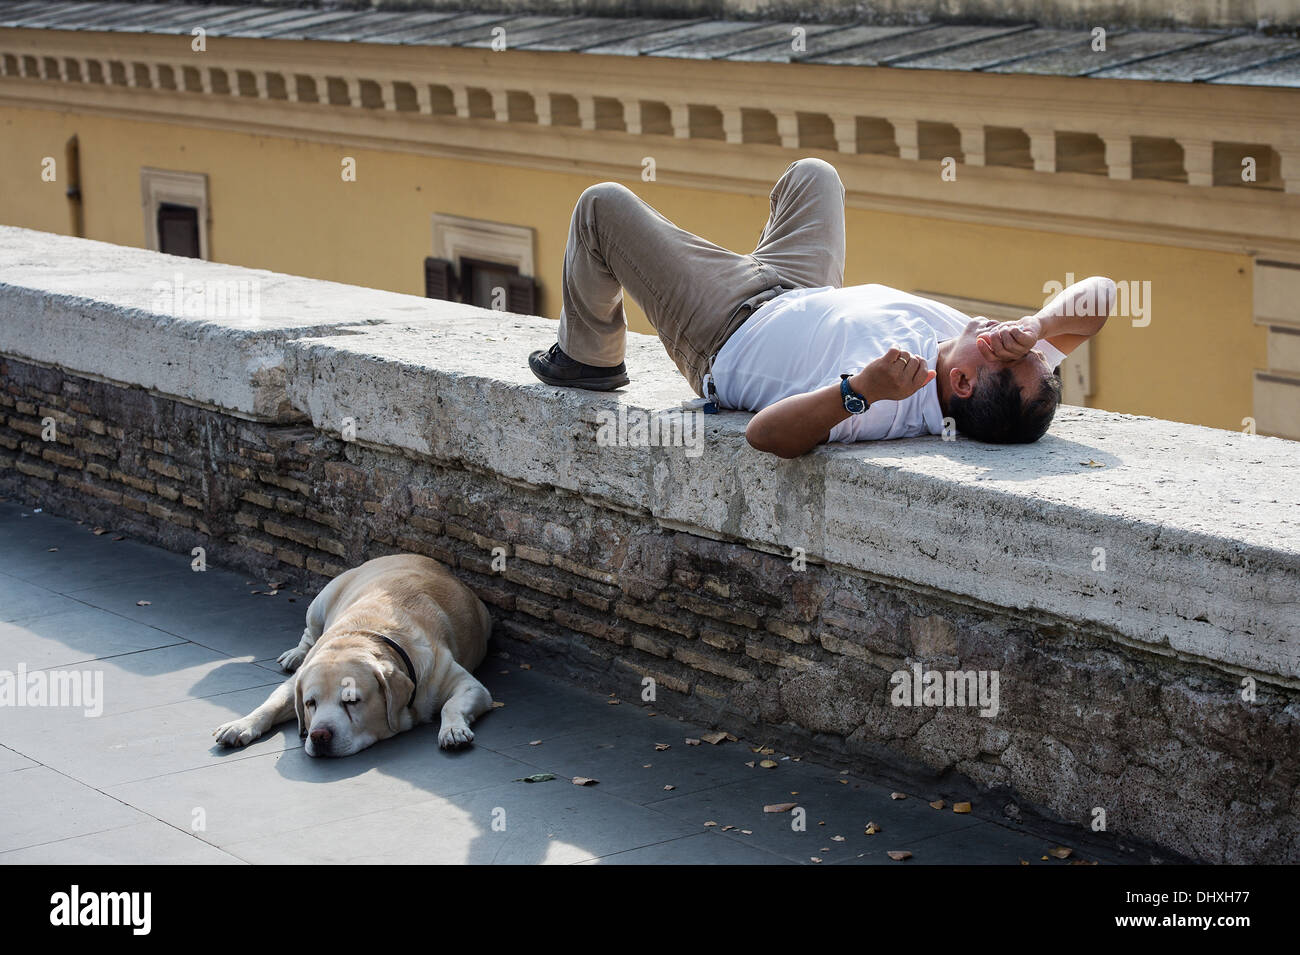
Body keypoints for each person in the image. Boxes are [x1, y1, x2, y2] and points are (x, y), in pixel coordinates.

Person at [529, 158, 1114, 458]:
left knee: (602, 208)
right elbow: (1102, 295)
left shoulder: (888, 403)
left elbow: (765, 436)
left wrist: (858, 388)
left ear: (960, 381)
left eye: (1002, 349)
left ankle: (590, 357)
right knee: (816, 176)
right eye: (1023, 345)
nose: (1002, 334)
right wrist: (1037, 326)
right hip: (798, 286)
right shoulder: (979, 356)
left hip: (724, 328)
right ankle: (753, 257)